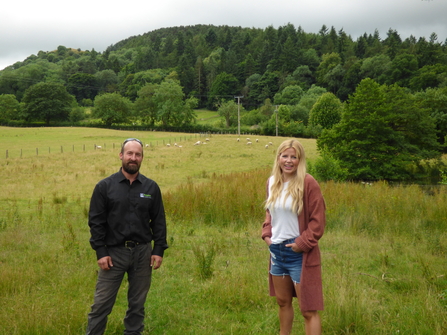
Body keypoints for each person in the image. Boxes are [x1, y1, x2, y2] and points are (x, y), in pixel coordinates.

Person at [86, 138, 168, 335]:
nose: (133, 158)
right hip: (113, 254)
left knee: (137, 305)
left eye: (137, 154)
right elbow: (96, 222)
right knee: (101, 304)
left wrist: (158, 250)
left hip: (142, 253)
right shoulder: (105, 187)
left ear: (142, 158)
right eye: (130, 153)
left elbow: (158, 221)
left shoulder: (151, 188)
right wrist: (101, 251)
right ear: (121, 155)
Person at [261, 139, 325, 335]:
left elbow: (318, 220)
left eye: (293, 157)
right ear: (278, 158)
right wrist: (266, 234)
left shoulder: (307, 182)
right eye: (284, 156)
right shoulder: (271, 182)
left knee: (308, 310)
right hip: (277, 252)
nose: (288, 161)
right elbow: (270, 213)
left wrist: (301, 243)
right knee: (282, 302)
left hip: (299, 253)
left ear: (300, 159)